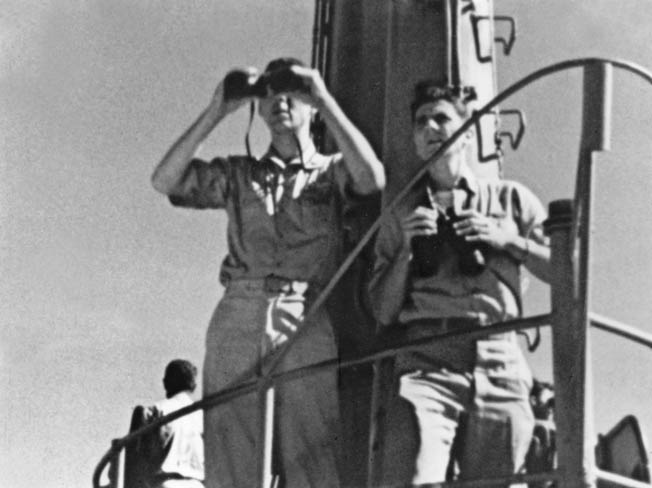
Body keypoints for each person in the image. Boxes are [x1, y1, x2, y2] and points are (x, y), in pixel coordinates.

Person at [151, 57, 385, 488]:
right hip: (237, 314)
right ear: (258, 111)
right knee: (232, 454)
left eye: (291, 94)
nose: (280, 102)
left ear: (310, 107)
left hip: (305, 314)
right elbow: (166, 180)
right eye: (270, 96)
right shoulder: (240, 175)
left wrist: (322, 95)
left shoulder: (332, 172)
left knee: (312, 453)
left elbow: (372, 179)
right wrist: (218, 108)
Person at [368, 79, 551, 486]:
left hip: (499, 356)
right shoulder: (400, 217)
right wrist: (408, 253)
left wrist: (506, 240)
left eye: (442, 119)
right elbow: (382, 309)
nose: (431, 128)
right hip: (427, 359)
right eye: (421, 122)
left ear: (467, 133)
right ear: (415, 140)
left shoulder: (511, 200)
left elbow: (566, 272)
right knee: (418, 477)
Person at [125, 359, 204, 488]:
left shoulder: (153, 411)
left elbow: (132, 463)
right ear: (193, 385)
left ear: (166, 383)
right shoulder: (203, 417)